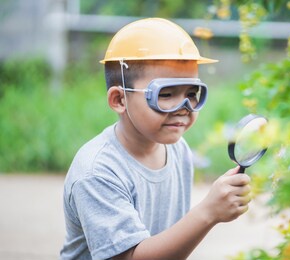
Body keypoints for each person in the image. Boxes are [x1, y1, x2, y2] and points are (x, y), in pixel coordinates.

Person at [60, 18, 251, 260]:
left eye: (192, 94)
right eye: (166, 94)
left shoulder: (177, 149)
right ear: (119, 100)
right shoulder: (98, 172)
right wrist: (208, 212)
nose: (184, 108)